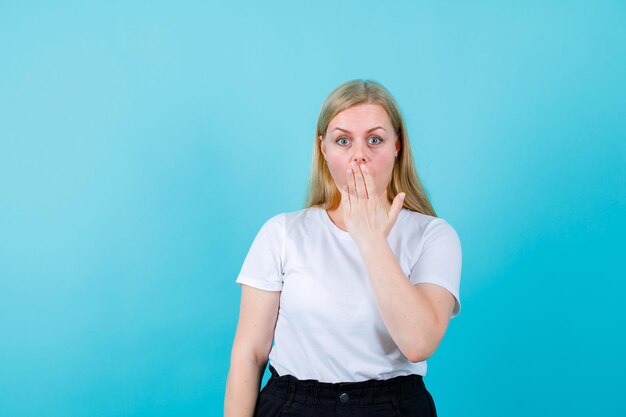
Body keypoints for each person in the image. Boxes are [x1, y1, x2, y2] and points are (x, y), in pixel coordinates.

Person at [224, 79, 462, 417]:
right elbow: (249, 354)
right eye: (343, 140)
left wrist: (370, 239)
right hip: (294, 405)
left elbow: (418, 343)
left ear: (398, 146)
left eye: (375, 139)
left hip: (391, 406)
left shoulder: (434, 236)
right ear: (324, 149)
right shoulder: (281, 232)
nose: (359, 155)